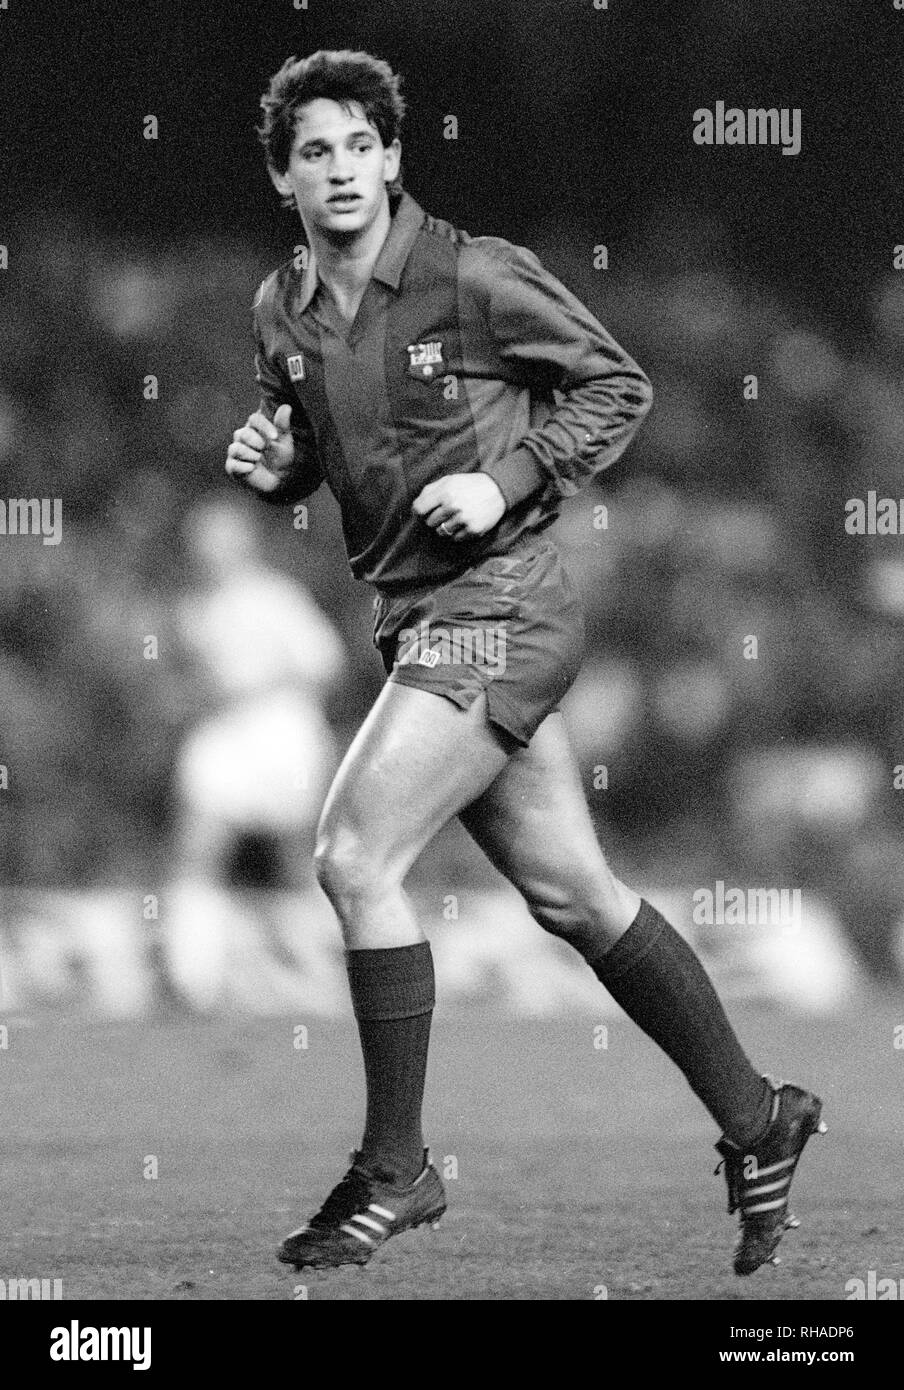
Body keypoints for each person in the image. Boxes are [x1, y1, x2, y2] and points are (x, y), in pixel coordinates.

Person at [225, 48, 825, 1278]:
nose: (338, 169)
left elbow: (617, 385)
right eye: (313, 151)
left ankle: (398, 1165)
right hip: (418, 618)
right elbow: (324, 453)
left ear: (394, 156)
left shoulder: (473, 274)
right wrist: (278, 467)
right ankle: (761, 1120)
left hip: (504, 605)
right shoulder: (279, 313)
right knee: (572, 894)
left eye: (358, 145)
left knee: (352, 853)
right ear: (283, 176)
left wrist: (501, 479)